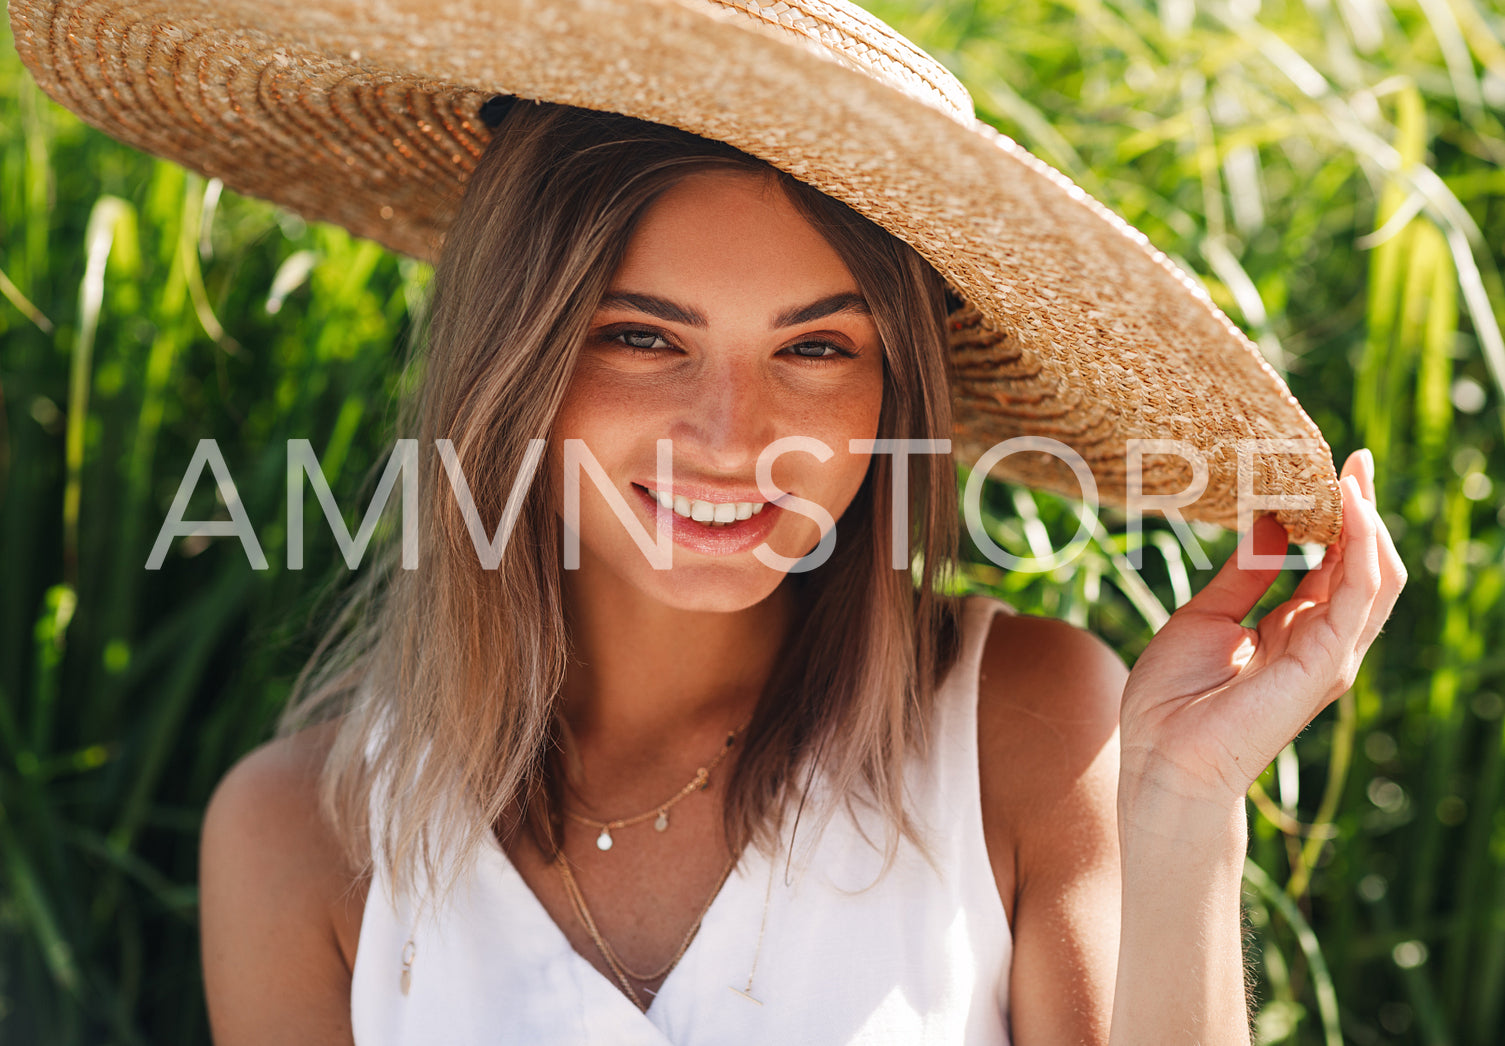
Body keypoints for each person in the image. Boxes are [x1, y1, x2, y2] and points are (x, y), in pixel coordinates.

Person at [9, 1, 1405, 1042]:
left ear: (890, 393)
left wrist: (1179, 807)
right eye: (640, 336)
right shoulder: (302, 836)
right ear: (514, 357)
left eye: (815, 349)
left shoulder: (1023, 725)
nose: (733, 437)